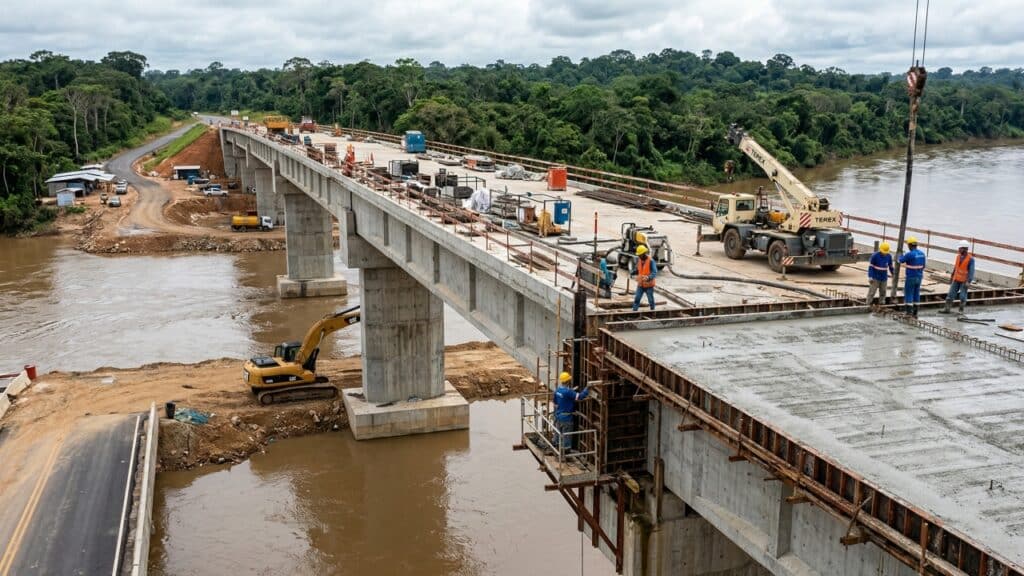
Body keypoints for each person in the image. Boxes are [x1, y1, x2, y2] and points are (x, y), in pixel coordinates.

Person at [553, 372, 589, 450]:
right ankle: (565, 454)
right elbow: (580, 397)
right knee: (567, 436)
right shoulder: (568, 392)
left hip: (558, 416)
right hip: (566, 419)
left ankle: (555, 448)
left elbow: (556, 403)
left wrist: (571, 391)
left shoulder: (558, 390)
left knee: (558, 434)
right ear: (568, 381)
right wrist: (588, 388)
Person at [940, 240, 975, 315]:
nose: (959, 250)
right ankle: (947, 309)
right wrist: (952, 276)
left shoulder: (970, 259)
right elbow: (956, 267)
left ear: (965, 249)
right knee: (950, 294)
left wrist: (968, 281)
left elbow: (971, 271)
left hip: (964, 281)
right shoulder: (958, 257)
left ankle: (961, 310)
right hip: (956, 279)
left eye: (960, 248)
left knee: (962, 296)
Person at [898, 236, 927, 317]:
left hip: (911, 276)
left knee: (909, 293)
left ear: (910, 245)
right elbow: (923, 265)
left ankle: (909, 312)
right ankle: (915, 312)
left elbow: (899, 260)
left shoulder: (909, 254)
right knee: (916, 293)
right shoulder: (922, 254)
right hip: (919, 276)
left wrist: (900, 255)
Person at [866, 242, 894, 306]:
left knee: (883, 291)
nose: (884, 253)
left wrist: (893, 274)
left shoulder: (889, 256)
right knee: (872, 292)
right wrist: (870, 276)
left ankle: (882, 303)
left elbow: (891, 266)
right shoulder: (875, 256)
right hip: (875, 277)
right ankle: (868, 304)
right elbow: (871, 267)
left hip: (883, 277)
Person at [631, 245, 657, 311]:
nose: (639, 256)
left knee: (650, 299)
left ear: (644, 253)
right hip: (640, 284)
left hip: (648, 285)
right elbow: (638, 269)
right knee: (637, 298)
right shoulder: (640, 260)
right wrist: (633, 272)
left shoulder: (651, 261)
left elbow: (654, 272)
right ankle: (634, 311)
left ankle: (653, 311)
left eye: (640, 255)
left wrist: (648, 277)